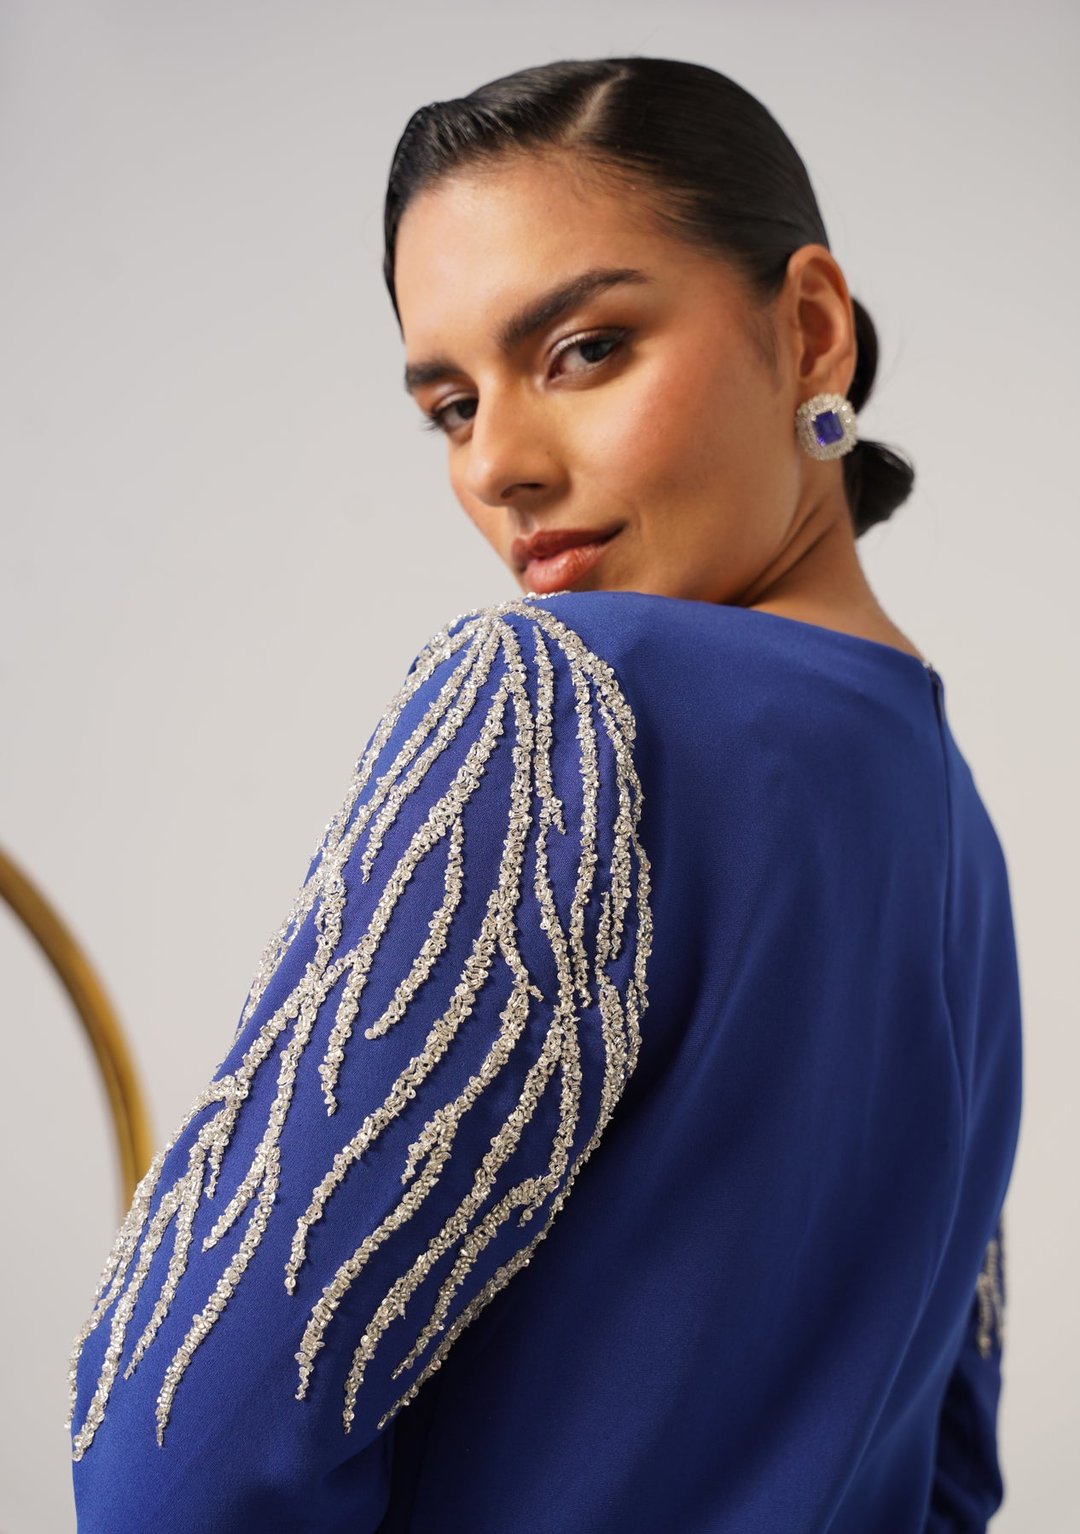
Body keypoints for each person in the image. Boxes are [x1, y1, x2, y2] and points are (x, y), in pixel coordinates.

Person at [67, 56, 1023, 1532]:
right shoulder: (953, 830)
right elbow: (951, 1478)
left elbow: (171, 1463)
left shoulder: (566, 702)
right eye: (452, 406)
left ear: (811, 329)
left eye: (583, 350)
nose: (500, 466)